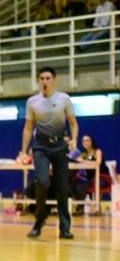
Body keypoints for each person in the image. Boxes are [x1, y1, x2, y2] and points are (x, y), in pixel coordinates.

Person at [20, 66, 78, 239]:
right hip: (41, 146)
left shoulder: (64, 99)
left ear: (54, 80)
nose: (45, 81)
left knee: (62, 187)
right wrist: (24, 151)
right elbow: (28, 128)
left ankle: (65, 227)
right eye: (42, 78)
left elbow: (73, 123)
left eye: (48, 78)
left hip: (60, 145)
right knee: (42, 181)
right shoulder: (32, 102)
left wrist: (74, 138)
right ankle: (39, 221)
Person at [72, 135, 105, 201]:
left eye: (87, 140)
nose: (85, 142)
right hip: (88, 178)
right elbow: (77, 161)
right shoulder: (83, 154)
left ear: (92, 141)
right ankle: (81, 205)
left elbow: (98, 163)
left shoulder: (97, 151)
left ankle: (96, 206)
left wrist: (83, 161)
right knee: (75, 185)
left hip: (101, 177)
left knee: (92, 184)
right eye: (83, 141)